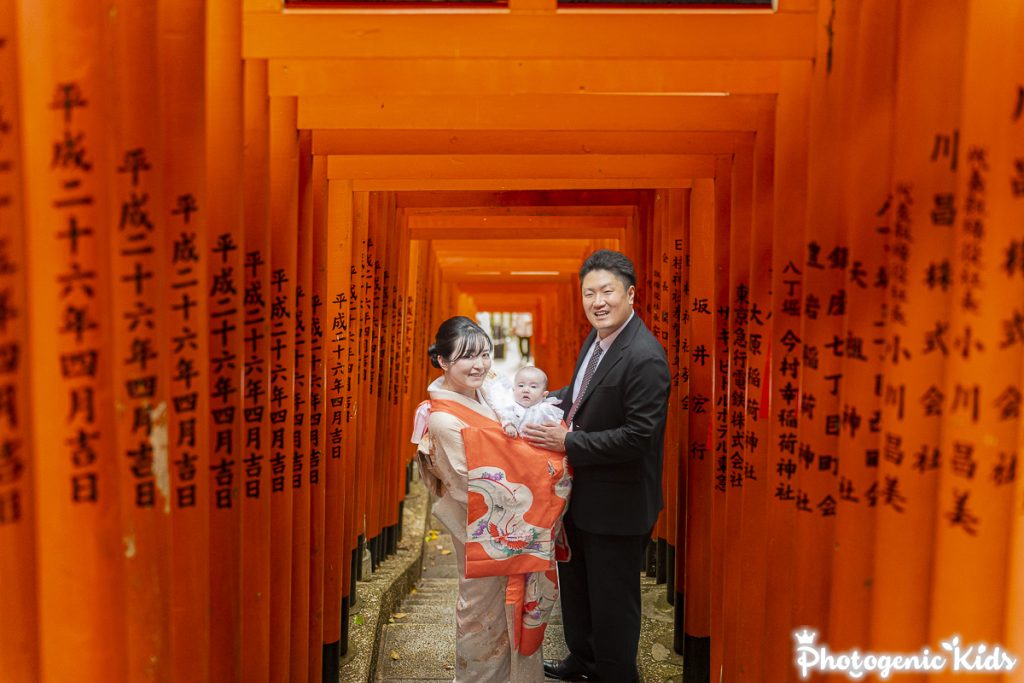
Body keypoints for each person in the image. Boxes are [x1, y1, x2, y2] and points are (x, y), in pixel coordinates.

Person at [523, 250, 671, 682]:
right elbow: (581, 392)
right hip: (583, 497)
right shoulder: (599, 338)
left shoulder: (645, 357)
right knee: (579, 589)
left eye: (607, 291)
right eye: (589, 293)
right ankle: (583, 660)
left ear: (630, 294)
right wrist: (541, 405)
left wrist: (570, 441)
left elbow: (641, 435)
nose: (597, 301)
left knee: (613, 602)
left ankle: (616, 674)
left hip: (619, 505)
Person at [411, 316, 570, 683]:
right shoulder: (443, 420)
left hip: (511, 524)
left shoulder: (489, 394)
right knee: (482, 616)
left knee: (517, 613)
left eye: (485, 354)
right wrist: (543, 479)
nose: (479, 364)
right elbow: (474, 483)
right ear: (443, 361)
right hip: (480, 530)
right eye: (467, 356)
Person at [485, 366, 565, 438]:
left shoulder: (546, 409)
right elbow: (506, 414)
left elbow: (556, 427)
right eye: (521, 385)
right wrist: (509, 425)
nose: (526, 390)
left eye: (533, 387)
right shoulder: (512, 405)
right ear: (514, 390)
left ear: (544, 394)